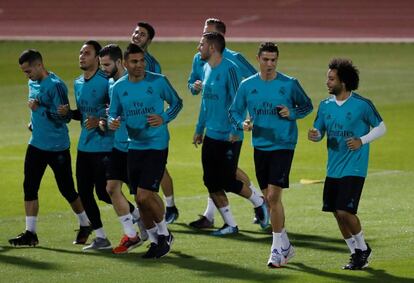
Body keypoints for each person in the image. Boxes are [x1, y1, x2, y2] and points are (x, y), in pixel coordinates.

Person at [229, 42, 313, 267]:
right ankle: (285, 245)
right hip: (260, 146)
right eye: (265, 59)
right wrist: (243, 123)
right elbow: (235, 111)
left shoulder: (289, 83)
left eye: (273, 60)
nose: (269, 64)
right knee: (268, 199)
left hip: (283, 145)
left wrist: (291, 113)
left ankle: (276, 251)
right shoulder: (248, 85)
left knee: (274, 198)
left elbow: (307, 106)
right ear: (258, 59)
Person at [308, 58, 386, 270]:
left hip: (354, 167)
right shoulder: (325, 106)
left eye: (331, 79)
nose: (327, 82)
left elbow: (381, 127)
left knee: (344, 211)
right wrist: (314, 135)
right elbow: (319, 132)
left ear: (344, 82)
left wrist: (362, 140)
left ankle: (362, 248)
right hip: (333, 167)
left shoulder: (362, 105)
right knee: (335, 212)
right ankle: (355, 253)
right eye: (328, 78)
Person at [188, 18, 264, 229]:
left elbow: (252, 85)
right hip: (213, 127)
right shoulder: (201, 62)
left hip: (230, 128)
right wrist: (194, 88)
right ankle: (213, 216)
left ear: (217, 39)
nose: (201, 39)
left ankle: (258, 202)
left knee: (226, 176)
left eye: (206, 35)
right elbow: (197, 90)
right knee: (214, 176)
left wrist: (243, 121)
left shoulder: (233, 61)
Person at [9, 49, 90, 247]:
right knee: (29, 187)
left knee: (67, 189)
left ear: (39, 65)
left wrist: (41, 110)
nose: (26, 75)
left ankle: (85, 223)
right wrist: (33, 122)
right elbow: (35, 110)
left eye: (28, 71)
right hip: (36, 144)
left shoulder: (56, 86)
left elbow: (65, 117)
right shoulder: (32, 82)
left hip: (57, 147)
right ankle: (31, 233)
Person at [108, 43, 182, 259]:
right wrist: (112, 121)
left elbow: (177, 103)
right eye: (134, 61)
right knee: (140, 200)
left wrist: (164, 118)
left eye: (141, 61)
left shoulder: (158, 81)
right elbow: (113, 112)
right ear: (124, 63)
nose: (139, 65)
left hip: (157, 145)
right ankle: (154, 240)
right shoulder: (119, 87)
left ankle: (165, 235)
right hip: (134, 145)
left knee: (145, 194)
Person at [59, 40, 114, 251]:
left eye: (87, 53)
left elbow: (115, 110)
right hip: (84, 147)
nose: (82, 56)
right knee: (84, 193)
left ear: (97, 58)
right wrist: (68, 113)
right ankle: (101, 237)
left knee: (104, 192)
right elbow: (83, 115)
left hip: (104, 146)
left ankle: (136, 216)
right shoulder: (78, 83)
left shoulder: (107, 82)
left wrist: (100, 120)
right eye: (80, 53)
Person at [98, 44, 148, 254]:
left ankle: (159, 233)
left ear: (120, 62)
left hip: (136, 146)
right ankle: (131, 234)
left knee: (143, 196)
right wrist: (106, 122)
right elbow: (112, 115)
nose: (103, 69)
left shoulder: (132, 83)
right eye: (101, 65)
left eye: (107, 64)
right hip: (119, 146)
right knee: (110, 188)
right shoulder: (112, 84)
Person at [131, 21, 179, 224]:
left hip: (150, 128)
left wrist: (160, 118)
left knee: (158, 171)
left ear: (149, 41)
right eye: (135, 32)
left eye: (141, 34)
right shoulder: (127, 60)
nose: (136, 36)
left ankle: (168, 208)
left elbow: (162, 96)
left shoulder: (151, 64)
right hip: (131, 129)